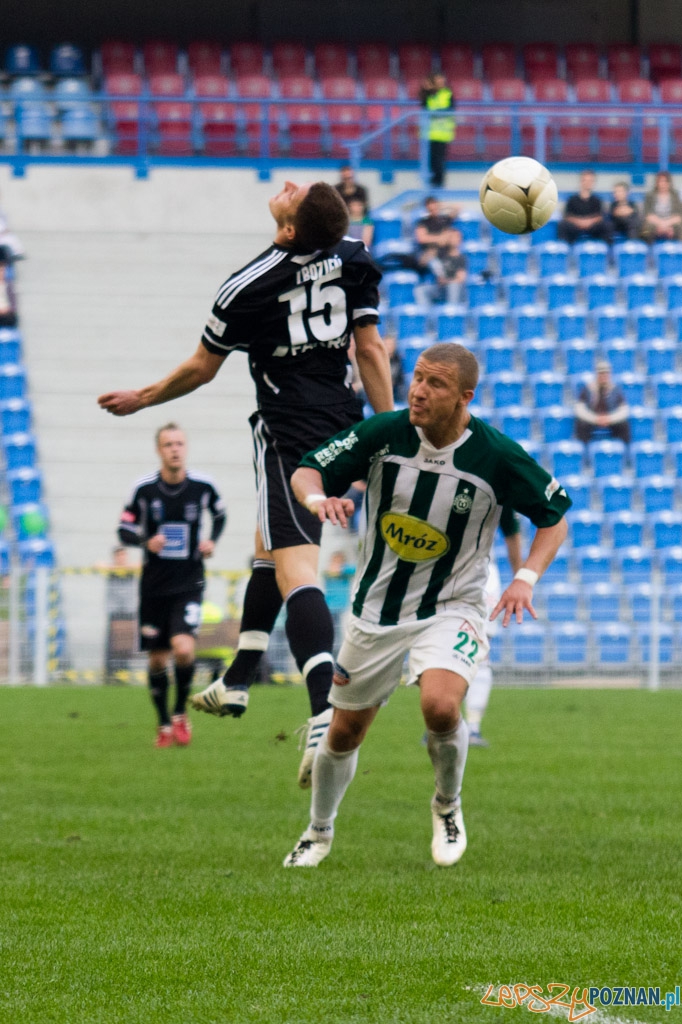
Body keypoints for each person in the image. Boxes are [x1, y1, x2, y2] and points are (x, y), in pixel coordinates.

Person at [98, 180, 394, 784]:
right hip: (346, 429)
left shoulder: (249, 284)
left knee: (297, 572)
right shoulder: (356, 254)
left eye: (295, 193)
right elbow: (371, 352)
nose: (287, 186)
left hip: (290, 439)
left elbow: (202, 369)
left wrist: (145, 397)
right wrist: (387, 433)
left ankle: (322, 716)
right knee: (268, 547)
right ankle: (238, 678)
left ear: (288, 229)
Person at [282, 342, 571, 868]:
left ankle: (447, 805)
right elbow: (307, 469)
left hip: (451, 605)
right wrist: (316, 499)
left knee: (440, 706)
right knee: (345, 731)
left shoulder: (497, 455)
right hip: (376, 612)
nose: (417, 390)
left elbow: (554, 519)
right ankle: (318, 832)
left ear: (464, 397)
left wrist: (525, 578)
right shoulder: (383, 434)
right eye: (417, 378)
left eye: (434, 384)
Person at [116, 423, 226, 748]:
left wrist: (212, 541)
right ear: (158, 450)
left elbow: (220, 515)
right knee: (156, 660)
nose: (174, 449)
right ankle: (163, 722)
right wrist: (145, 541)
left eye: (179, 443)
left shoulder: (203, 486)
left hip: (189, 582)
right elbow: (123, 529)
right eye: (168, 444)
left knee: (184, 648)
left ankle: (180, 713)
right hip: (153, 586)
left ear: (185, 448)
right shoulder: (144, 489)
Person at [466, 508, 522, 747]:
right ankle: (440, 724)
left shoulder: (497, 484)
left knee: (480, 652)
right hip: (440, 574)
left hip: (482, 576)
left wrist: (521, 578)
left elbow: (512, 531)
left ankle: (472, 727)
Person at [574, 360, 631, 446]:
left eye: (606, 373)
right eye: (601, 373)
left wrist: (610, 418)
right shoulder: (588, 389)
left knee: (624, 425)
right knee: (581, 424)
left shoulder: (615, 390)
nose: (604, 376)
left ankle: (623, 452)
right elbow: (579, 409)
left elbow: (624, 410)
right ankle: (584, 452)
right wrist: (595, 419)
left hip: (610, 419)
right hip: (592, 418)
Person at [420, 73, 455, 189]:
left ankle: (439, 183)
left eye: (442, 81)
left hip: (443, 133)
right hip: (429, 133)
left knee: (439, 160)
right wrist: (426, 90)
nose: (440, 83)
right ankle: (431, 181)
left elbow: (449, 109)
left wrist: (435, 113)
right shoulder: (428, 95)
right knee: (430, 159)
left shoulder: (447, 93)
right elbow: (423, 106)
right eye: (438, 81)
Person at [557, 169, 611, 244]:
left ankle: (606, 251)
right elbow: (567, 216)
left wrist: (588, 222)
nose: (588, 183)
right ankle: (563, 250)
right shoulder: (572, 199)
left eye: (590, 180)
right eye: (585, 180)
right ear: (581, 181)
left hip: (592, 227)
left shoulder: (597, 200)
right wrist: (580, 222)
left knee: (607, 225)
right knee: (562, 225)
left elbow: (600, 216)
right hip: (575, 227)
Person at [418, 227, 468, 305]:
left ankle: (452, 309)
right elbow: (422, 262)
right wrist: (435, 246)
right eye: (451, 237)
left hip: (454, 289)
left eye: (455, 237)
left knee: (453, 286)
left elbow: (460, 279)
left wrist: (446, 281)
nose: (453, 240)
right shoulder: (441, 255)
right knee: (421, 290)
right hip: (441, 288)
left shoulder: (461, 258)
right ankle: (426, 314)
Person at [413, 196, 460, 265]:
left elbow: (458, 208)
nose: (434, 210)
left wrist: (444, 206)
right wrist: (439, 238)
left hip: (444, 252)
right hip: (430, 252)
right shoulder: (423, 222)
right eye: (431, 209)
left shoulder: (444, 219)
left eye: (435, 207)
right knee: (433, 261)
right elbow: (421, 238)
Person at [640, 170, 682, 243]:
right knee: (647, 229)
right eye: (660, 181)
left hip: (671, 223)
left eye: (665, 181)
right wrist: (660, 225)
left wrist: (666, 225)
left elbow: (679, 216)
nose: (663, 184)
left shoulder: (675, 195)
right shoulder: (649, 195)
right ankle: (650, 252)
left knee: (680, 227)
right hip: (654, 223)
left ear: (669, 183)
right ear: (656, 183)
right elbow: (648, 215)